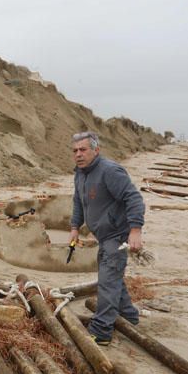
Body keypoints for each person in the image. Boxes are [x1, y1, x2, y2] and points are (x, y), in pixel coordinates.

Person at [69, 131, 145, 345]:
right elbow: (78, 201)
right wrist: (75, 226)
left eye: (83, 150)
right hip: (104, 236)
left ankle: (101, 332)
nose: (78, 154)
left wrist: (135, 230)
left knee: (107, 283)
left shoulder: (110, 171)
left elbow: (134, 198)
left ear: (96, 150)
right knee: (111, 279)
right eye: (75, 151)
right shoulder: (80, 173)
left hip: (117, 236)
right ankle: (129, 317)